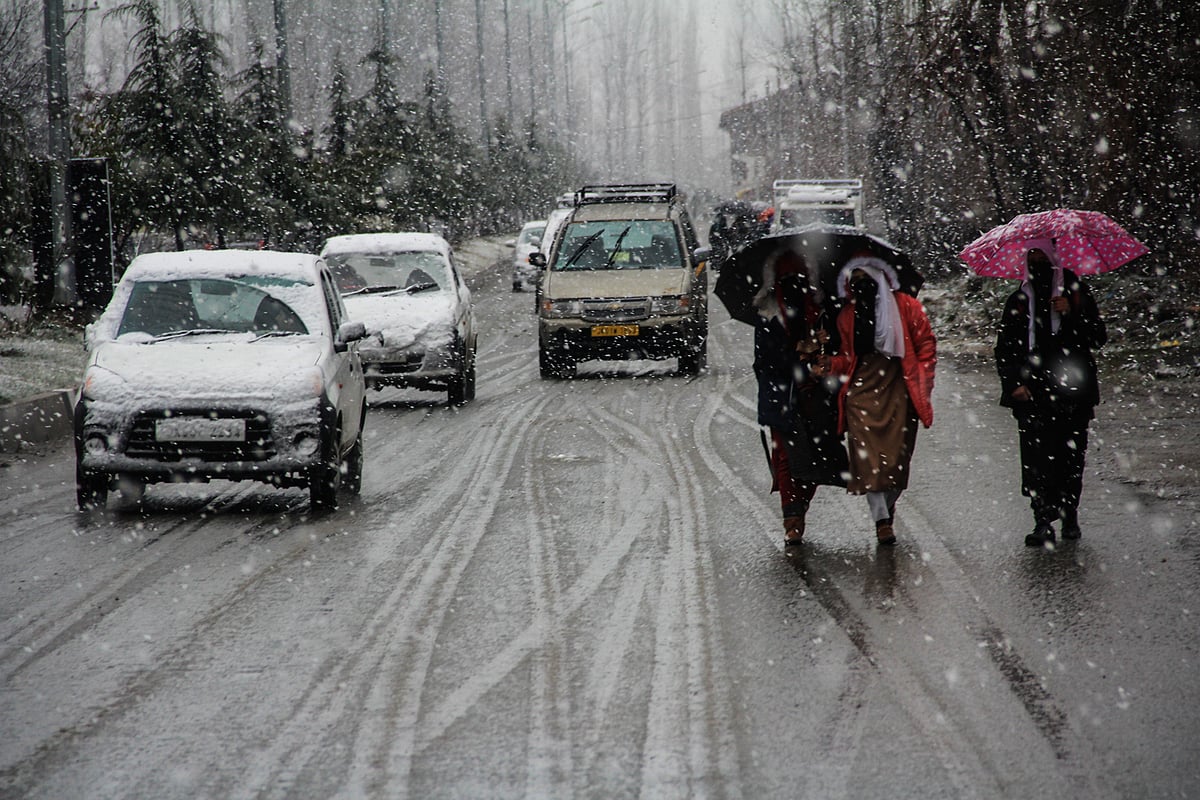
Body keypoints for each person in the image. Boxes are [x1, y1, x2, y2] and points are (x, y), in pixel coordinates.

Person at [815, 254, 936, 546]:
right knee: (868, 462)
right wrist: (828, 364)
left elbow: (925, 346)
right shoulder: (847, 316)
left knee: (895, 462)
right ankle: (882, 521)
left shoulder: (907, 307)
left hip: (899, 388)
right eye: (854, 281)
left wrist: (922, 380)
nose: (860, 286)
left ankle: (887, 506)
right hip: (861, 392)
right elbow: (848, 358)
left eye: (865, 280)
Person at [994, 246, 1107, 547]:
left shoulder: (1075, 291)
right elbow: (1005, 348)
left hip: (1072, 392)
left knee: (1071, 456)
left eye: (1042, 257)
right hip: (1033, 394)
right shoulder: (1019, 300)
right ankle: (1042, 519)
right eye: (1031, 258)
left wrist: (1071, 312)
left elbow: (1097, 337)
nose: (1036, 263)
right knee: (1035, 459)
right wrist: (1013, 383)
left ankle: (1070, 513)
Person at [752, 250, 848, 548]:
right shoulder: (768, 315)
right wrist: (795, 359)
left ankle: (799, 506)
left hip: (816, 397)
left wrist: (820, 357)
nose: (792, 285)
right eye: (785, 278)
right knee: (785, 456)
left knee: (816, 457)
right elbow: (764, 362)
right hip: (784, 398)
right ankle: (791, 518)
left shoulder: (821, 312)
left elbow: (837, 349)